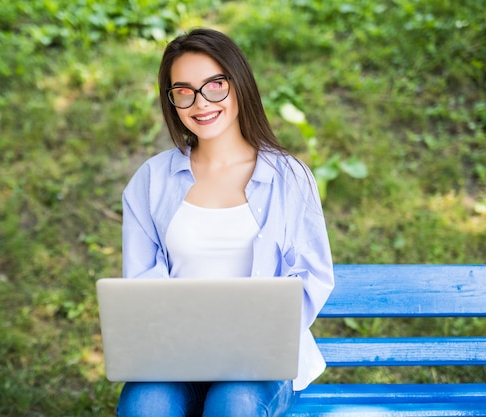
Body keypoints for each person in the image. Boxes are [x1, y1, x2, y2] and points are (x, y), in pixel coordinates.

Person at [117, 27, 334, 417]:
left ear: (239, 85)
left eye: (214, 85)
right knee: (144, 406)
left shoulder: (289, 177)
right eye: (183, 90)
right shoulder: (150, 181)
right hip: (174, 355)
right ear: (172, 101)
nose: (200, 103)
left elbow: (313, 274)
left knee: (233, 405)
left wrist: (262, 337)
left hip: (260, 360)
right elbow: (140, 281)